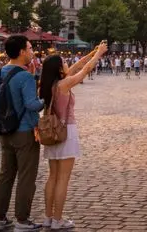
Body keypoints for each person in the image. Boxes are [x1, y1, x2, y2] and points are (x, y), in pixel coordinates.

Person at [40, 41, 108, 230]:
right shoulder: (64, 84)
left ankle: (48, 217)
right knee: (63, 178)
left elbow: (78, 65)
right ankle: (58, 219)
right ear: (58, 68)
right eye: (63, 62)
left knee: (52, 177)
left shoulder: (49, 84)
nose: (66, 64)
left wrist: (92, 51)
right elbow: (85, 70)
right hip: (66, 132)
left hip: (52, 133)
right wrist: (99, 54)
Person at [0, 35, 46, 232]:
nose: (32, 51)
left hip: (5, 130)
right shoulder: (25, 76)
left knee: (5, 174)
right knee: (26, 176)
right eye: (30, 48)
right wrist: (46, 100)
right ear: (22, 51)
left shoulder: (0, 72)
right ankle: (22, 220)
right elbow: (32, 104)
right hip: (24, 132)